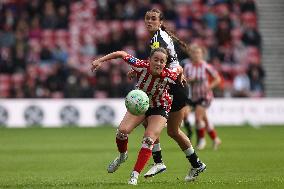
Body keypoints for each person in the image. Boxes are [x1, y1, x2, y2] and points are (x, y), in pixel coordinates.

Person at [131, 9, 206, 181]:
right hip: (174, 85)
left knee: (155, 121)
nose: (149, 21)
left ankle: (159, 162)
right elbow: (164, 64)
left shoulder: (158, 41)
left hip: (173, 87)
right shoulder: (159, 36)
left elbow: (160, 64)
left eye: (153, 19)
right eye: (147, 18)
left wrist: (140, 70)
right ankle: (196, 164)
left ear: (160, 22)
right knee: (171, 130)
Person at [91, 47, 183, 185]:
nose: (158, 63)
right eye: (156, 60)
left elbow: (179, 69)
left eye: (162, 61)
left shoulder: (170, 75)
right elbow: (121, 54)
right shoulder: (141, 66)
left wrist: (181, 78)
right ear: (149, 60)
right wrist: (100, 60)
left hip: (160, 107)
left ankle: (134, 175)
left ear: (165, 63)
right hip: (140, 105)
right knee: (122, 132)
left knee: (149, 139)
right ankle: (122, 156)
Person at [184, 44, 222, 150]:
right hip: (194, 96)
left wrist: (209, 86)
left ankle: (201, 140)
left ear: (202, 54)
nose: (196, 55)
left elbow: (217, 79)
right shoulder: (187, 66)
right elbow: (184, 80)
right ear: (190, 54)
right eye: (194, 53)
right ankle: (215, 139)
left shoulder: (206, 66)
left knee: (197, 118)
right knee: (204, 120)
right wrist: (189, 80)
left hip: (205, 96)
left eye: (198, 53)